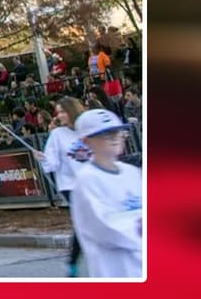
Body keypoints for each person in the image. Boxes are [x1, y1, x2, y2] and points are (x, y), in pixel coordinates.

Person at [70, 109, 142, 278]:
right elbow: (105, 229)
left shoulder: (132, 172)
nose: (115, 138)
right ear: (87, 141)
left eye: (117, 132)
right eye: (105, 134)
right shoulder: (86, 180)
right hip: (115, 270)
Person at [35, 96, 90, 276]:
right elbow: (52, 162)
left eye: (63, 111)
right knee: (84, 220)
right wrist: (43, 158)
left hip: (93, 182)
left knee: (90, 222)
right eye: (58, 112)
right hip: (71, 185)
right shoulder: (57, 135)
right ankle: (73, 261)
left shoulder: (88, 130)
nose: (60, 116)